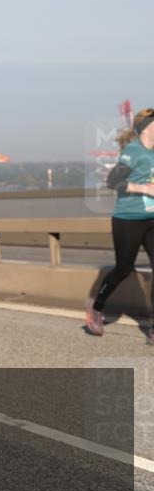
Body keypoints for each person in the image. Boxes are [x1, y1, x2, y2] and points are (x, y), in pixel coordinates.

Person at [86, 108, 154, 344]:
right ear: (146, 127)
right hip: (128, 219)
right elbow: (113, 181)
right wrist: (143, 189)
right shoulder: (133, 151)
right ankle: (96, 308)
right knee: (124, 269)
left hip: (152, 219)